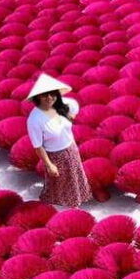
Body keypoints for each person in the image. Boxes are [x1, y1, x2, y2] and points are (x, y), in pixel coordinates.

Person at [26, 73, 92, 207]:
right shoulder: (34, 119)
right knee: (59, 183)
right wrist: (49, 165)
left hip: (71, 149)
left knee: (75, 177)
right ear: (38, 97)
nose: (49, 98)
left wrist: (71, 116)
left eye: (52, 94)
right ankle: (56, 204)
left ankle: (75, 203)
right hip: (56, 155)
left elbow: (74, 106)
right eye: (45, 95)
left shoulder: (61, 105)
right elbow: (38, 146)